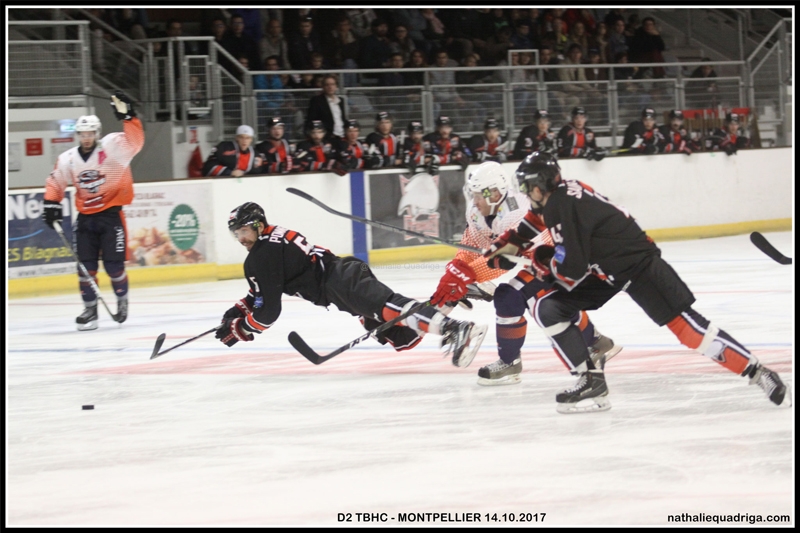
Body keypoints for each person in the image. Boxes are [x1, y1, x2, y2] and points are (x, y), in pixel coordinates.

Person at [485, 152, 790, 412]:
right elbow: (538, 225)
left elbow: (571, 269)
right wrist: (510, 242)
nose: (526, 194)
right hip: (604, 271)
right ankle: (591, 382)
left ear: (541, 186)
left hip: (639, 266)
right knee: (548, 308)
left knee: (689, 330)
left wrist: (539, 260)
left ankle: (758, 371)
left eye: (528, 188)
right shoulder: (562, 195)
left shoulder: (560, 205)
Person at [218, 202, 488, 368]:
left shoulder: (262, 255)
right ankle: (452, 298)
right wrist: (237, 312)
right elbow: (261, 294)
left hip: (340, 281)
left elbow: (267, 313)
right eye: (237, 234)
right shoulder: (270, 241)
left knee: (396, 310)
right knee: (401, 337)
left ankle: (457, 330)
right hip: (341, 282)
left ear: (258, 225)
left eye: (244, 231)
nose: (241, 239)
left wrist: (242, 327)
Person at [431, 161, 621, 385]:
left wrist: (468, 275)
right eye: (472, 194)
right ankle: (596, 341)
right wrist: (456, 270)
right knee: (530, 299)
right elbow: (473, 242)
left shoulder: (516, 213)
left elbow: (504, 262)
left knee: (527, 297)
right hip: (538, 260)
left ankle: (514, 362)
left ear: (494, 192)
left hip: (560, 256)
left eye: (478, 195)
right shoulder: (478, 209)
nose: (474, 200)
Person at [42, 91, 144, 330]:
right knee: (85, 268)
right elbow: (56, 181)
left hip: (111, 217)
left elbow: (135, 142)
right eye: (82, 134)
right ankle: (90, 311)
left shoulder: (113, 148)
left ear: (97, 134)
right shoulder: (68, 159)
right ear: (77, 135)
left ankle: (122, 301)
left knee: (114, 266)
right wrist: (51, 203)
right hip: (86, 220)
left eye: (90, 134)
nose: (86, 138)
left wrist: (129, 117)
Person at [305, 74, 346, 140]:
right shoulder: (316, 100)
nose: (330, 87)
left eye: (332, 84)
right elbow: (311, 120)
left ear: (336, 86)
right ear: (323, 87)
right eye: (327, 85)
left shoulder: (341, 100)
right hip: (327, 137)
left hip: (342, 136)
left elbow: (342, 119)